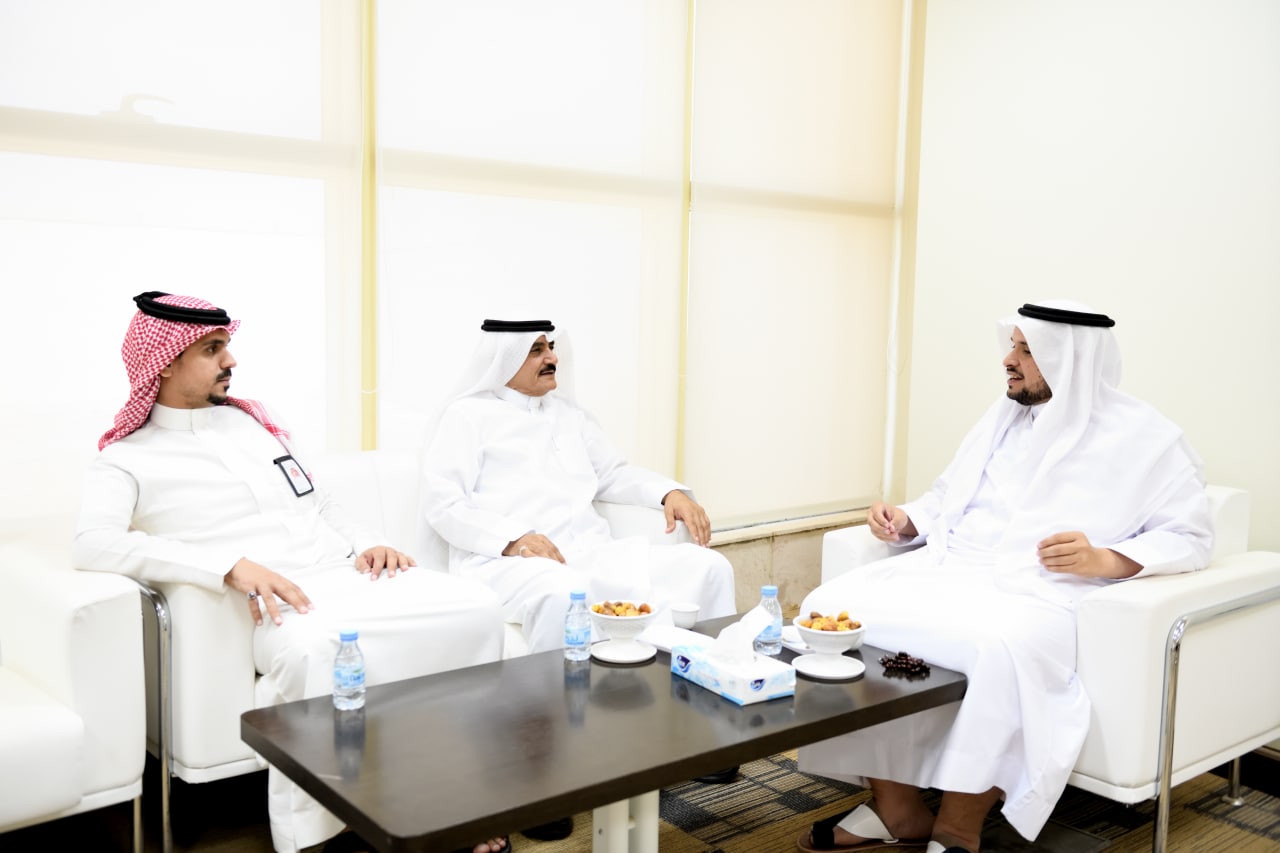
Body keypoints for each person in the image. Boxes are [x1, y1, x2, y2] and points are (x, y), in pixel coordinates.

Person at [73, 292, 509, 853]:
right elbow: (94, 542)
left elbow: (319, 502)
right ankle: (331, 830)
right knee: (319, 651)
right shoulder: (127, 458)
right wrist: (227, 566)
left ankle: (460, 800)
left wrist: (368, 542)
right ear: (164, 362)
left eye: (227, 346)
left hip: (348, 575)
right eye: (212, 349)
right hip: (276, 605)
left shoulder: (257, 425)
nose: (230, 360)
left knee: (477, 609)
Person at [794, 301, 1212, 853]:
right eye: (1013, 346)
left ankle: (957, 829)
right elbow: (950, 496)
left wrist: (1106, 559)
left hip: (1046, 589)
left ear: (1071, 360)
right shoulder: (1003, 417)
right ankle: (898, 809)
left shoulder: (1146, 438)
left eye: (1027, 350)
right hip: (954, 568)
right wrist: (907, 520)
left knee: (997, 647)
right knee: (829, 609)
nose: (1009, 360)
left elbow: (1190, 537)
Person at [421, 318, 738, 653]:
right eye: (536, 350)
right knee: (566, 594)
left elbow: (613, 473)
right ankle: (560, 688)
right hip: (511, 564)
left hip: (592, 552)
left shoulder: (568, 414)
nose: (552, 358)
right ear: (504, 360)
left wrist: (668, 493)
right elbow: (444, 505)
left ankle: (716, 669)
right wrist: (514, 539)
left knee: (709, 567)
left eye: (551, 348)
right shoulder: (467, 416)